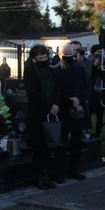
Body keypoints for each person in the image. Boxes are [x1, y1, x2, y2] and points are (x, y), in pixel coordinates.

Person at [24, 44, 61, 190]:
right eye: (39, 58)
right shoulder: (30, 71)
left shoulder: (49, 70)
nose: (43, 60)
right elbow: (33, 93)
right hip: (37, 113)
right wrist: (49, 105)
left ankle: (47, 176)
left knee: (48, 147)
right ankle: (39, 177)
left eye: (45, 57)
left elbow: (57, 89)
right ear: (33, 59)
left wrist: (56, 104)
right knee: (38, 148)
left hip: (51, 112)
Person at [52, 42, 91, 182]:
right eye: (66, 54)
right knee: (61, 144)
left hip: (78, 109)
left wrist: (78, 99)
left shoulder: (80, 69)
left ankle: (74, 169)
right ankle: (59, 172)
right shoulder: (55, 71)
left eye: (71, 54)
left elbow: (87, 87)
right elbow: (56, 91)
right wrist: (70, 100)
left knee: (77, 143)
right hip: (64, 110)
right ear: (60, 55)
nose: (69, 56)